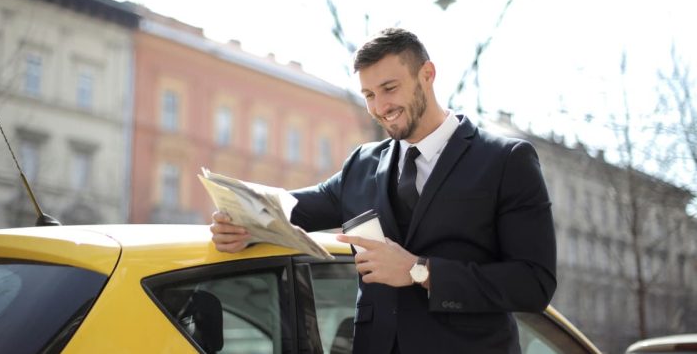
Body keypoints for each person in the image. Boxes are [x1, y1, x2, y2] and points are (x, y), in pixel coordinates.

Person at [211, 28, 556, 354]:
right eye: (369, 95)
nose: (380, 107)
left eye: (390, 88)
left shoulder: (505, 160)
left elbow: (533, 284)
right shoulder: (361, 165)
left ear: (427, 74)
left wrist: (419, 271)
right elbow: (289, 209)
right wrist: (242, 223)